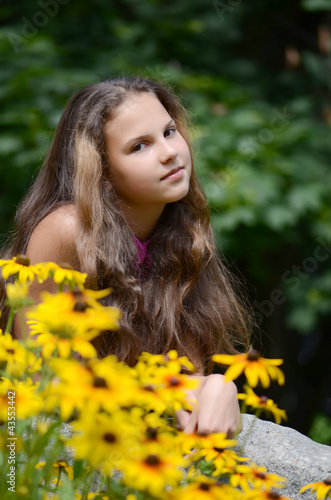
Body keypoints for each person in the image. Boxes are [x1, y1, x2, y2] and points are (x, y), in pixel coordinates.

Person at [0, 76, 252, 437]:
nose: (169, 152)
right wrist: (165, 393)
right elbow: (41, 382)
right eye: (139, 146)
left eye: (169, 132)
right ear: (101, 171)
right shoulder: (67, 231)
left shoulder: (184, 232)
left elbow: (185, 376)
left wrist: (217, 388)